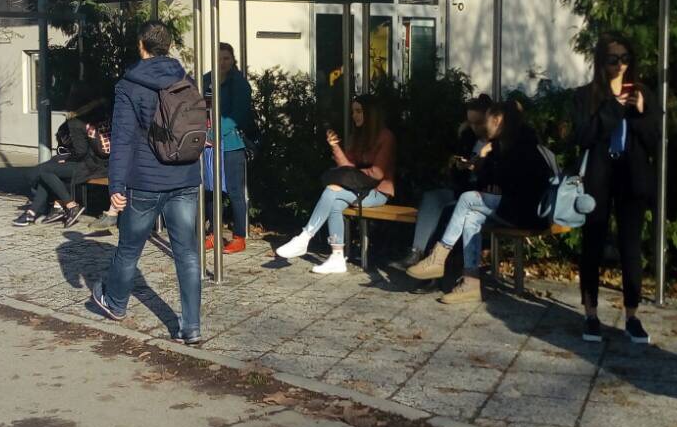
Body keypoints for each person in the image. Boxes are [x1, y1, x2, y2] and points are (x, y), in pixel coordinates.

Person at [88, 21, 205, 344]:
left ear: (141, 45)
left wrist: (116, 187)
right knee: (187, 252)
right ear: (168, 46)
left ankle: (115, 302)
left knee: (129, 248)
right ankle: (191, 326)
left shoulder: (130, 84)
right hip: (185, 176)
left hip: (146, 181)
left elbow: (123, 140)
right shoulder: (186, 78)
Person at [408, 100, 549, 304]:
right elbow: (488, 182)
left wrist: (490, 172)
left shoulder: (524, 145)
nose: (481, 127)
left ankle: (438, 257)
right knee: (471, 217)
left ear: (498, 120)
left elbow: (520, 184)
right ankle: (471, 283)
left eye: (485, 121)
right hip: (507, 207)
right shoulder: (498, 145)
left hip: (526, 212)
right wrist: (482, 162)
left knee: (467, 199)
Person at [568, 33, 660, 344]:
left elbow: (654, 138)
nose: (620, 65)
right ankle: (591, 313)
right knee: (592, 243)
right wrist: (613, 109)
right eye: (612, 59)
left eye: (625, 58)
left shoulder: (643, 92)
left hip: (631, 177)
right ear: (600, 62)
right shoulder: (587, 96)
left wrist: (640, 112)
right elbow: (583, 136)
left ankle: (632, 315)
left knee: (631, 246)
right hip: (599, 176)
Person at [275, 95, 397, 275]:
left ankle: (305, 237)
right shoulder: (357, 136)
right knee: (334, 202)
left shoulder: (385, 136)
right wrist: (335, 147)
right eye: (353, 111)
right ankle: (337, 256)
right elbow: (347, 168)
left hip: (377, 192)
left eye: (359, 111)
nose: (354, 115)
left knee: (332, 190)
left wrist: (354, 175)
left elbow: (377, 173)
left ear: (371, 113)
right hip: (358, 188)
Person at [402, 94, 493, 268]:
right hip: (462, 189)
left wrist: (479, 166)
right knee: (431, 198)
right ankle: (417, 251)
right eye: (471, 123)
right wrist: (458, 166)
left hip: (481, 194)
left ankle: (435, 262)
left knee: (449, 211)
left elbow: (496, 177)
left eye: (479, 123)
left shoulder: (497, 144)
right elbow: (456, 175)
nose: (475, 128)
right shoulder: (468, 137)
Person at [14, 86, 109, 226]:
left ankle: (70, 206)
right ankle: (34, 212)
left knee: (45, 171)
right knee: (50, 167)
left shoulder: (76, 121)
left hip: (91, 167)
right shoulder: (102, 114)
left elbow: (80, 152)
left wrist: (66, 159)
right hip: (106, 164)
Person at [202, 43, 254, 254]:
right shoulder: (206, 79)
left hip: (232, 145)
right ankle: (213, 233)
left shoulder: (239, 84)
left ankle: (239, 237)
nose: (222, 62)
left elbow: (237, 115)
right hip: (208, 145)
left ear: (233, 60)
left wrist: (213, 134)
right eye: (219, 58)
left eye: (226, 58)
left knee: (234, 192)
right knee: (211, 190)